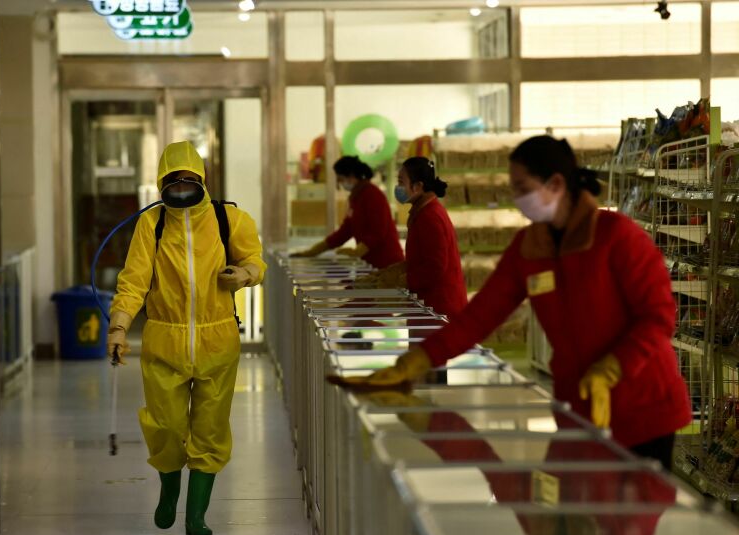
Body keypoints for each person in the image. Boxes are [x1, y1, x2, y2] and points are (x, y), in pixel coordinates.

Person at [344, 135, 692, 469]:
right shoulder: (530, 248)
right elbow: (477, 318)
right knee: (568, 521)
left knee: (624, 524)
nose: (516, 198)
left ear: (555, 184)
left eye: (522, 189)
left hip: (644, 408)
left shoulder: (617, 235)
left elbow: (658, 316)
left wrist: (611, 369)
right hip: (578, 407)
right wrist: (413, 363)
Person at [107, 141, 266, 535]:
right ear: (162, 182)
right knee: (166, 426)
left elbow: (255, 261)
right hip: (165, 340)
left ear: (203, 179)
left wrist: (243, 275)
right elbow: (134, 281)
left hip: (218, 342)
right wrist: (119, 327)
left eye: (189, 180)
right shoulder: (153, 224)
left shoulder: (229, 219)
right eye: (173, 181)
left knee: (211, 431)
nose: (181, 187)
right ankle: (167, 493)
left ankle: (196, 516)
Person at [361, 157, 468, 322]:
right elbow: (421, 260)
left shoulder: (430, 216)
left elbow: (435, 267)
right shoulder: (422, 212)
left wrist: (401, 282)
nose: (398, 188)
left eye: (401, 182)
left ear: (417, 187)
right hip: (427, 305)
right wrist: (389, 273)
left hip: (439, 309)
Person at [292, 156, 404, 269]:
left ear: (351, 176)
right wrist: (314, 251)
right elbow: (346, 230)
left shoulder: (372, 195)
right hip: (370, 262)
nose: (339, 183)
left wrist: (358, 250)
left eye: (340, 179)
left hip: (387, 261)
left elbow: (378, 231)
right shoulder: (356, 197)